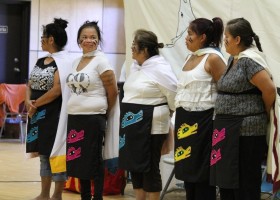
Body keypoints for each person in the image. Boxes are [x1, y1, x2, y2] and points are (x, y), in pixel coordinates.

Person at [209, 18, 276, 200]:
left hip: (246, 130)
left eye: (227, 37)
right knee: (226, 179)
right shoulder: (233, 59)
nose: (224, 41)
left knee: (244, 180)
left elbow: (269, 90)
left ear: (237, 39)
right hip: (227, 129)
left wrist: (259, 111)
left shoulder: (249, 61)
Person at [118, 29, 178, 200]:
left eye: (133, 46)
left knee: (149, 167)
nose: (131, 49)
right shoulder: (135, 66)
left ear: (144, 49)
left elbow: (173, 94)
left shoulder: (160, 67)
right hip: (130, 124)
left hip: (151, 124)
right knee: (133, 165)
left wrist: (169, 111)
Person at [174, 17, 226, 200]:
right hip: (183, 119)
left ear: (202, 37)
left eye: (190, 34)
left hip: (204, 122)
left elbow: (226, 92)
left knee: (201, 174)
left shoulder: (213, 58)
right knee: (187, 171)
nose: (186, 38)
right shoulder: (191, 56)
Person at [65, 20, 118, 200]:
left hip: (93, 118)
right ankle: (85, 196)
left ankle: (97, 198)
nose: (89, 40)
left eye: (93, 37)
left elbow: (113, 92)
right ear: (79, 40)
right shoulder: (75, 61)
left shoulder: (102, 61)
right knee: (79, 161)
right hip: (75, 117)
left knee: (94, 161)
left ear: (98, 40)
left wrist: (103, 112)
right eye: (85, 37)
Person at [25, 18, 72, 200]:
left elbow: (57, 89)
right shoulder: (40, 60)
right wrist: (28, 101)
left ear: (51, 39)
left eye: (43, 37)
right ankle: (44, 194)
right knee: (43, 154)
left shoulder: (64, 61)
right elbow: (29, 84)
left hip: (54, 114)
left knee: (56, 155)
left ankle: (57, 195)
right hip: (37, 113)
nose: (41, 40)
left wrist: (35, 104)